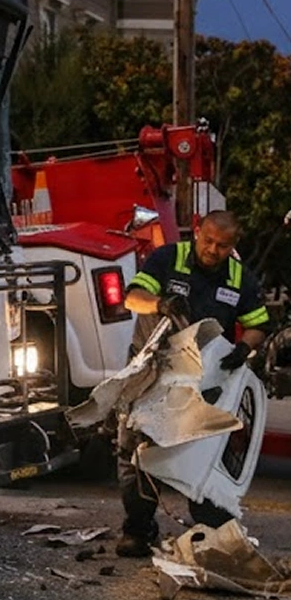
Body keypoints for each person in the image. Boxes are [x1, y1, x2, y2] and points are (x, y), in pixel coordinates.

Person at [116, 209, 270, 557]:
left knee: (205, 450)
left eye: (222, 246)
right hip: (151, 373)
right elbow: (132, 297)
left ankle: (209, 532)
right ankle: (137, 530)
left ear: (233, 245)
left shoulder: (239, 278)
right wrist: (160, 304)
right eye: (208, 241)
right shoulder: (168, 258)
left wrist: (244, 347)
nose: (213, 250)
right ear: (197, 232)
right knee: (138, 450)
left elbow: (259, 323)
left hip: (205, 379)